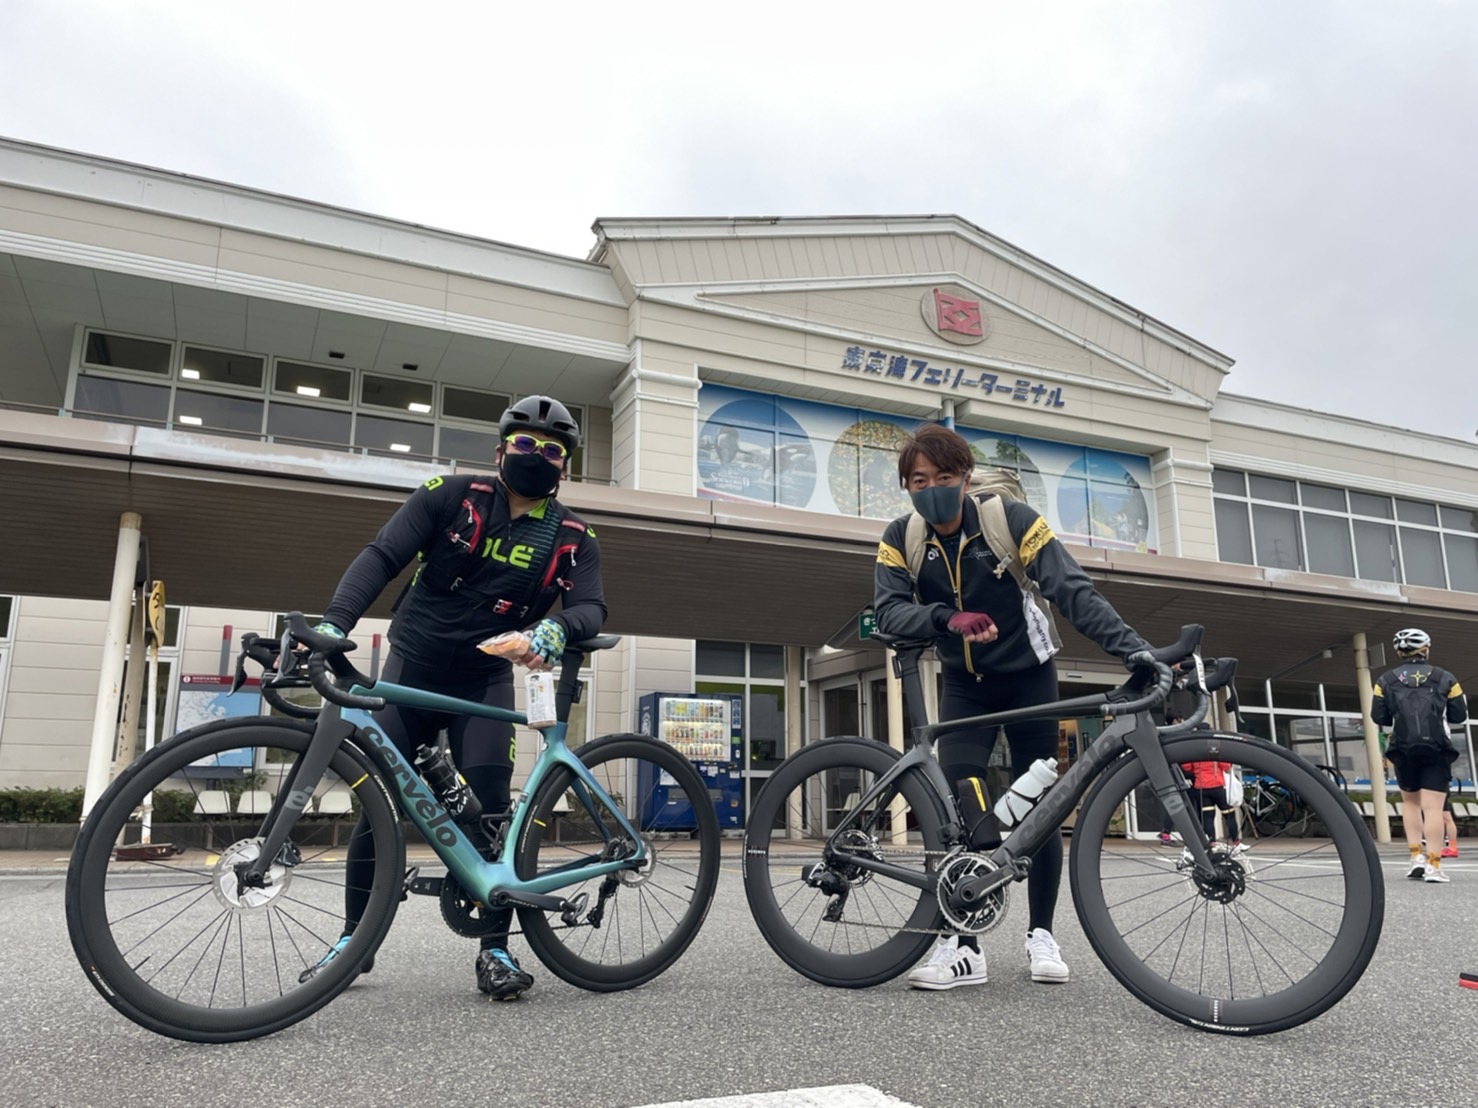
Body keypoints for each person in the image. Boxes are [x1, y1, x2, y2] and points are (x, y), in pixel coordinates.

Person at [305, 395, 606, 998]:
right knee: (380, 804)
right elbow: (382, 555)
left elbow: (591, 607)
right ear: (500, 451)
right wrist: (336, 623)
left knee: (493, 814)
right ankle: (352, 942)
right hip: (410, 670)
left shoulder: (574, 536)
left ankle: (494, 949)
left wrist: (557, 628)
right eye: (524, 444)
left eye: (552, 449)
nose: (537, 455)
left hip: (484, 680)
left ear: (565, 467)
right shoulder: (450, 495)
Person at [873, 422, 1150, 990]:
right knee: (962, 809)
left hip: (1030, 679)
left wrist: (1134, 650)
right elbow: (888, 613)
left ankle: (1040, 934)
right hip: (963, 685)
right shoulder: (901, 538)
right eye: (919, 480)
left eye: (944, 477)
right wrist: (945, 618)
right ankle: (965, 948)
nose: (932, 489)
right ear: (907, 486)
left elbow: (1072, 589)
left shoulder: (1010, 521)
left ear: (965, 478)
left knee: (1042, 808)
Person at [1370, 627, 1467, 884]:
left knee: (1410, 804)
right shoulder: (1446, 677)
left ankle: (1415, 858)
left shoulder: (1384, 681)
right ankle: (1434, 866)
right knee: (1433, 807)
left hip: (1402, 748)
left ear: (1399, 652)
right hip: (1436, 747)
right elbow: (1459, 715)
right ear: (1425, 648)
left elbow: (1378, 717)